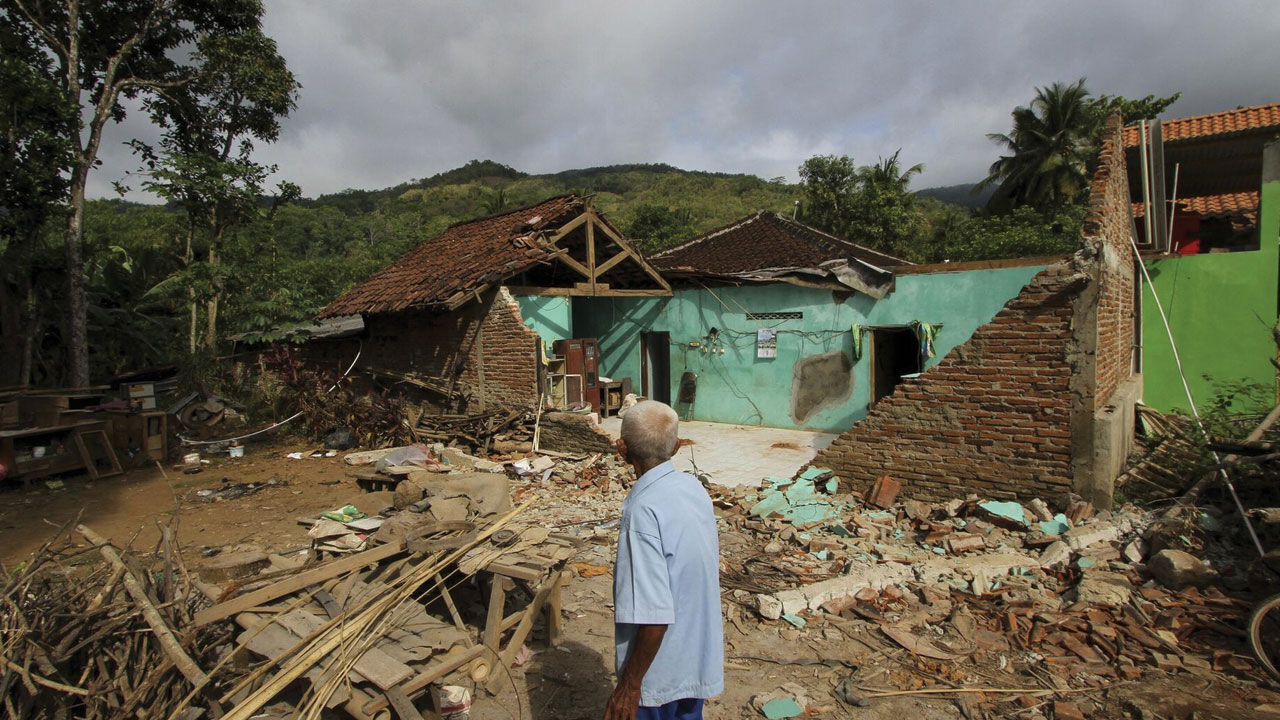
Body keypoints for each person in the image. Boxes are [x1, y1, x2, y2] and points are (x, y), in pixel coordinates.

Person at [603, 400, 723, 720]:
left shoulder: (642, 509)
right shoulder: (694, 488)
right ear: (678, 447)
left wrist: (629, 685)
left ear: (621, 450)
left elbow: (654, 613)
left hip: (656, 677)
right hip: (695, 660)